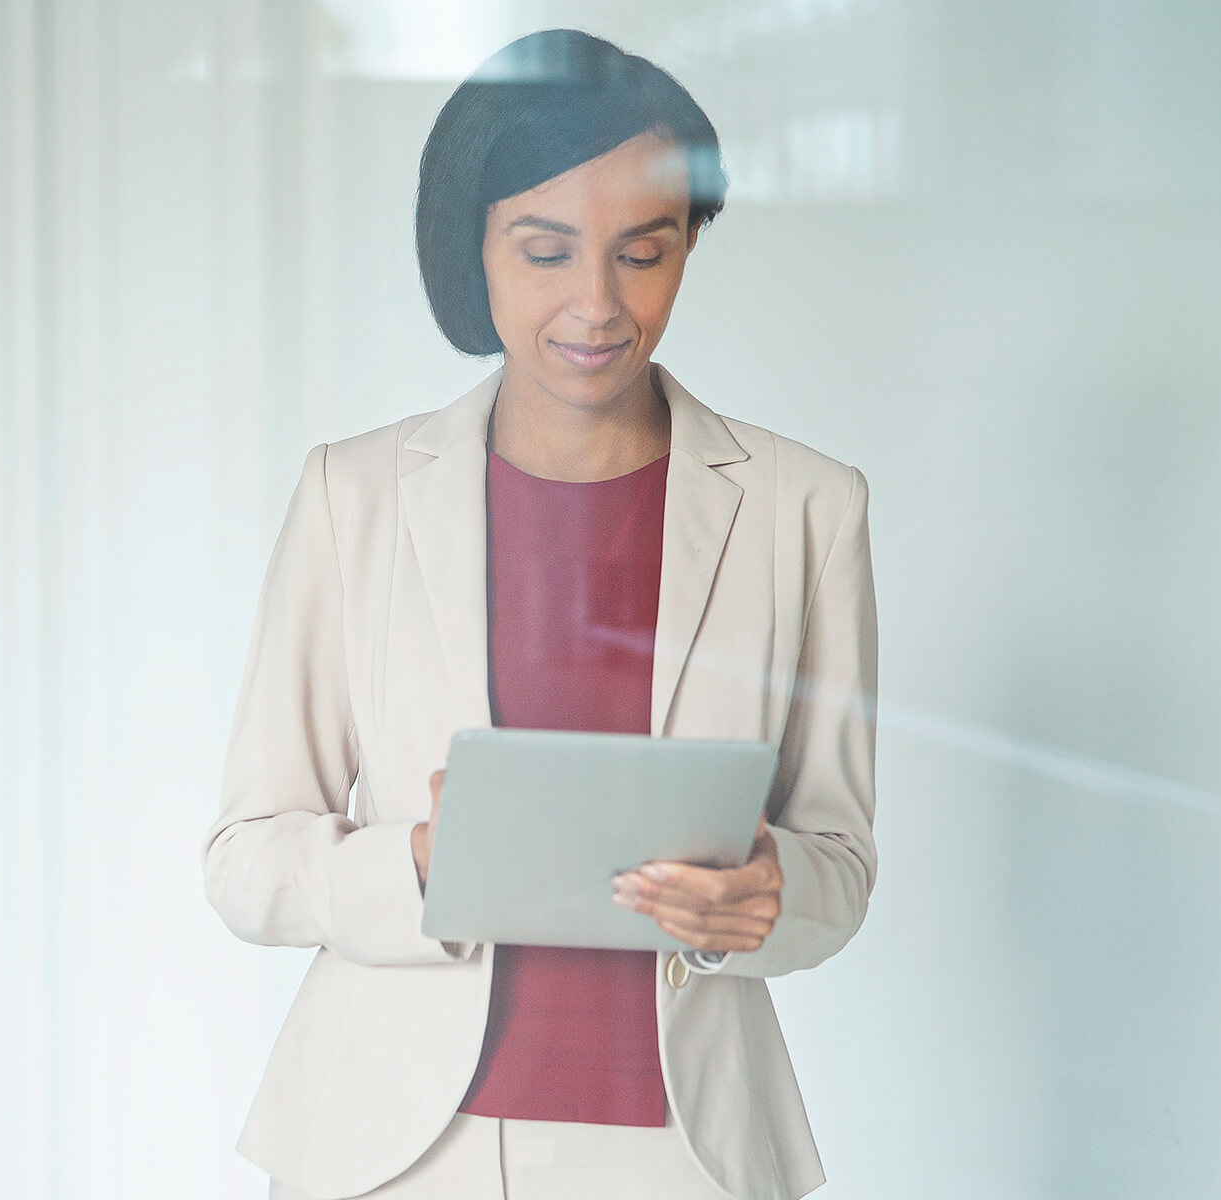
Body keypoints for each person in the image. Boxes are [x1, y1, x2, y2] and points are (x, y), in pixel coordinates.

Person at [201, 29, 880, 1200]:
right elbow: (247, 864)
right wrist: (421, 861)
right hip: (393, 1148)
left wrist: (764, 895)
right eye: (545, 250)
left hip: (689, 1145)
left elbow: (840, 869)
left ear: (689, 247)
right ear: (474, 247)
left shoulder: (804, 507)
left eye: (644, 252)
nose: (598, 304)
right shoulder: (351, 497)